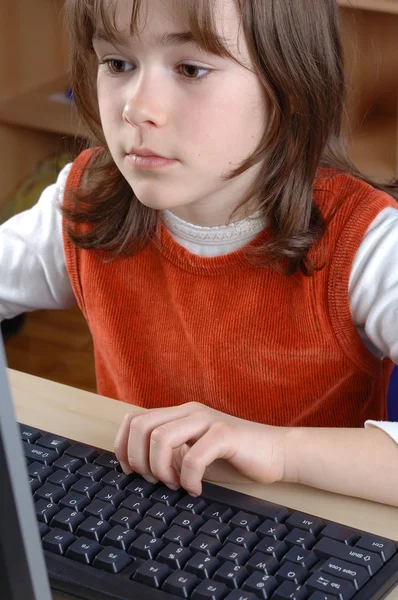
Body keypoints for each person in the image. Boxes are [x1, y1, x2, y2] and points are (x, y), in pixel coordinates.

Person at [1, 0, 397, 506]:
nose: (136, 108)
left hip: (295, 545)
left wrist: (280, 450)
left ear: (290, 85)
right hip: (136, 521)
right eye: (118, 63)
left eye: (190, 68)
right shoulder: (85, 200)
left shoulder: (366, 243)